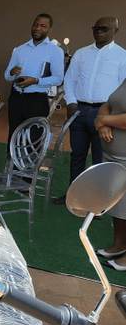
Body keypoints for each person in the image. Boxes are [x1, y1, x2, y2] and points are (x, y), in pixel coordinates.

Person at [52, 17, 126, 205]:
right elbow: (70, 80)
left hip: (104, 115)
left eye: (104, 28)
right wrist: (71, 103)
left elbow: (122, 90)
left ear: (115, 31)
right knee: (77, 155)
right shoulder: (81, 53)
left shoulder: (122, 56)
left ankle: (96, 202)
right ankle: (73, 196)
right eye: (96, 28)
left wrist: (109, 118)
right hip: (80, 110)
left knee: (100, 160)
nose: (99, 31)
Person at [3, 13, 64, 149]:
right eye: (35, 25)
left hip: (37, 101)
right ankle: (11, 163)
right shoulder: (20, 49)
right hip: (16, 98)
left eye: (43, 26)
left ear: (50, 29)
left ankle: (30, 163)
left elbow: (58, 79)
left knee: (33, 141)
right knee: (13, 137)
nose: (38, 28)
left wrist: (35, 81)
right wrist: (12, 73)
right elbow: (7, 76)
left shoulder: (55, 51)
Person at [94, 80, 126, 269]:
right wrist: (102, 124)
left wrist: (104, 121)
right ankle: (119, 244)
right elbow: (108, 103)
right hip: (114, 155)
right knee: (118, 203)